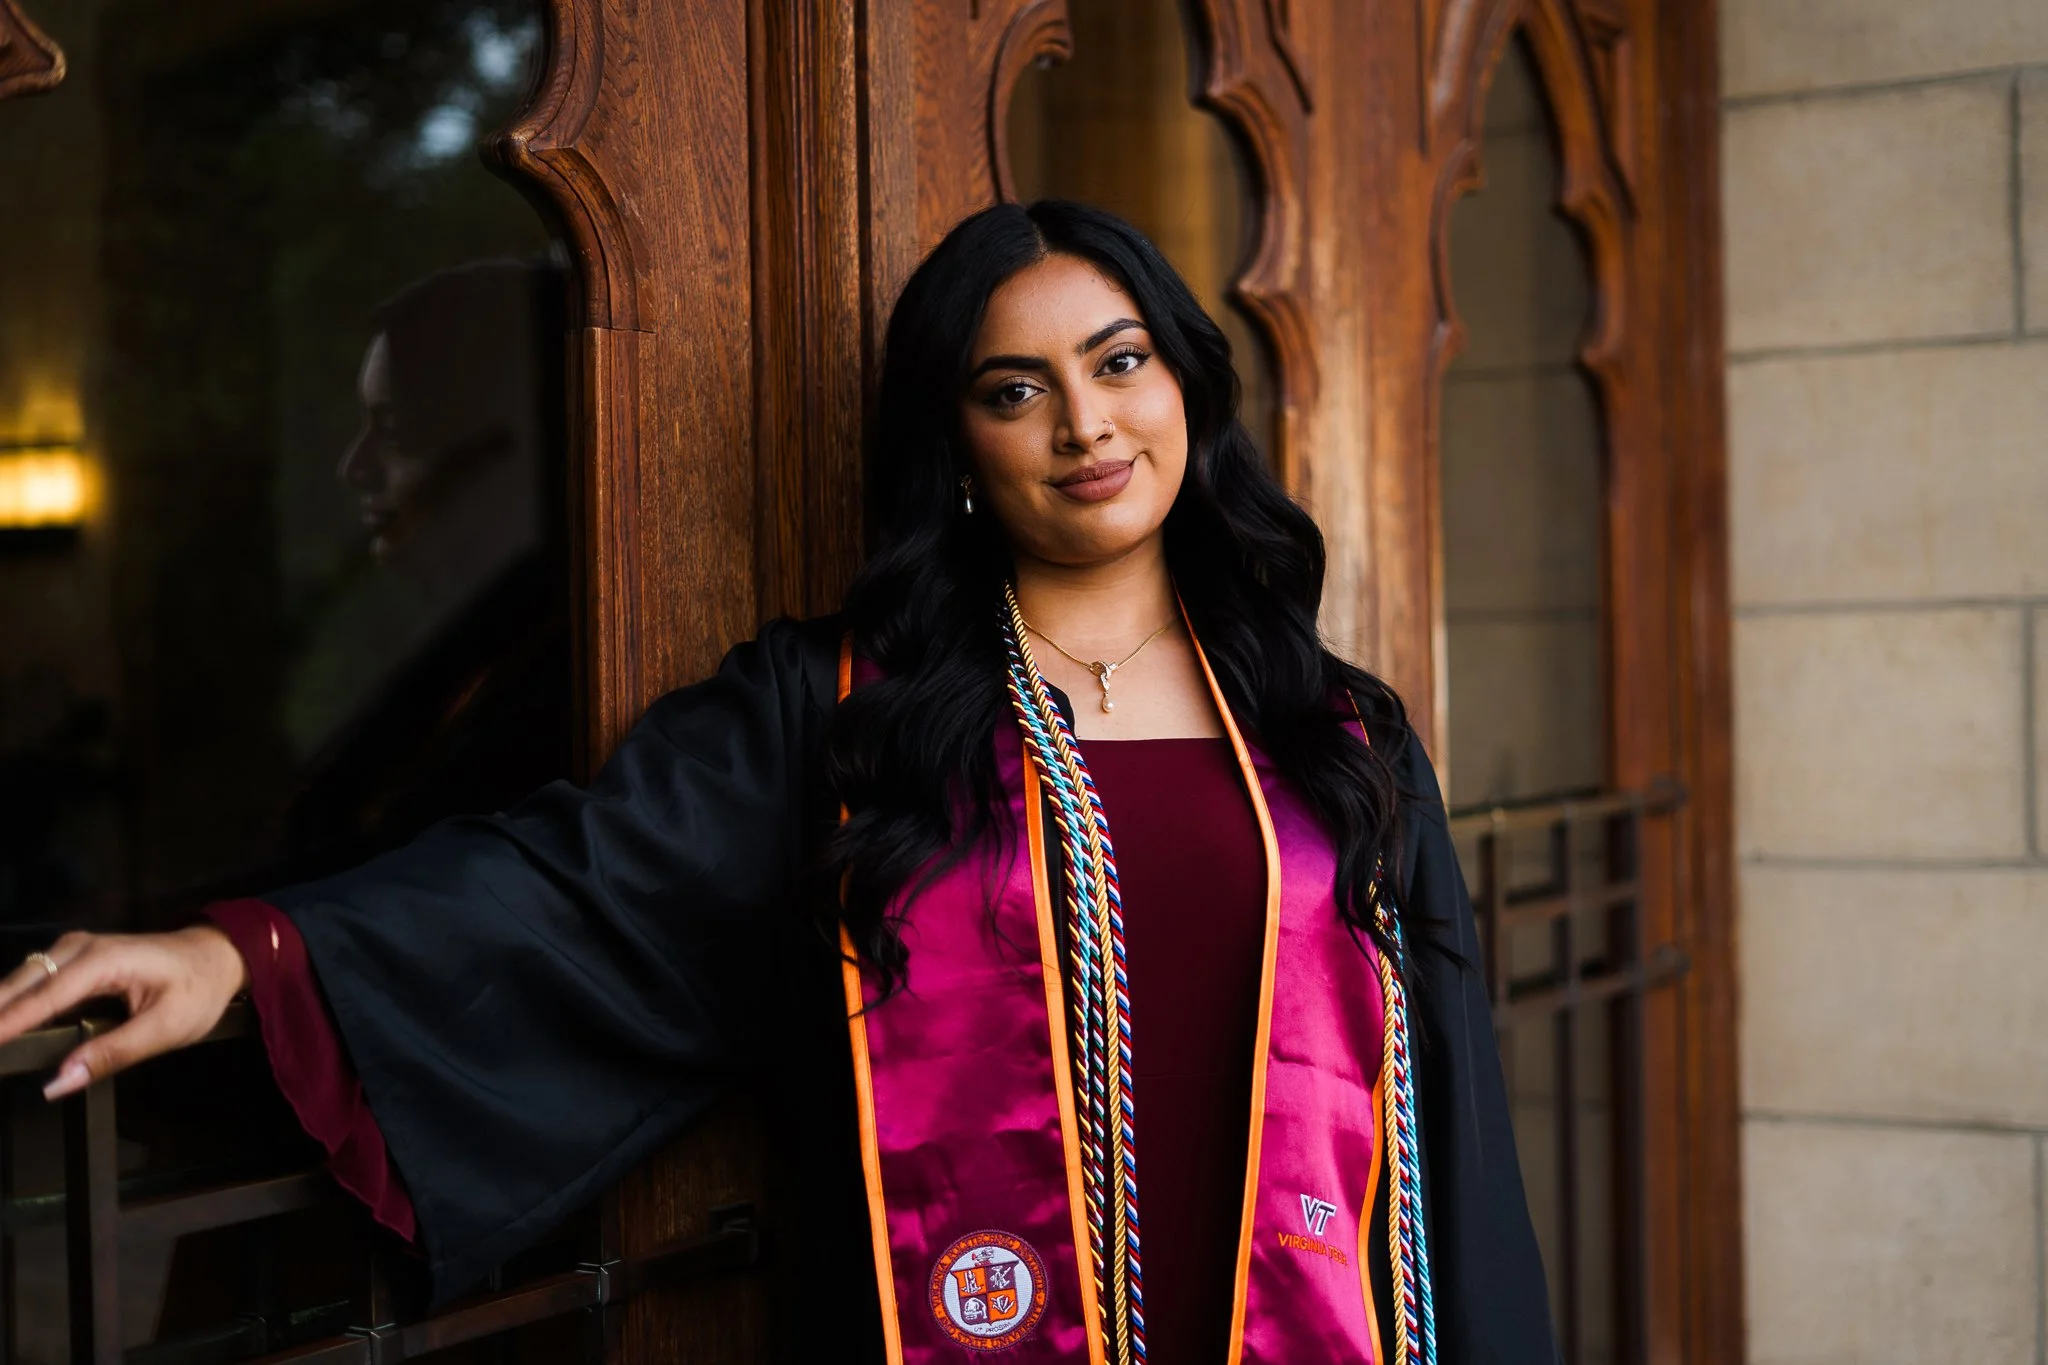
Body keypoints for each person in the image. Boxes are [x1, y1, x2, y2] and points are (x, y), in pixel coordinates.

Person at [0, 201, 1557, 1364]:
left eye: (1120, 362)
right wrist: (246, 957)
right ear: (956, 442)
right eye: (1014, 389)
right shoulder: (845, 715)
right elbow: (577, 886)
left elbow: (1451, 1135)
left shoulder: (1332, 732)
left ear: (1185, 388)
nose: (1086, 423)